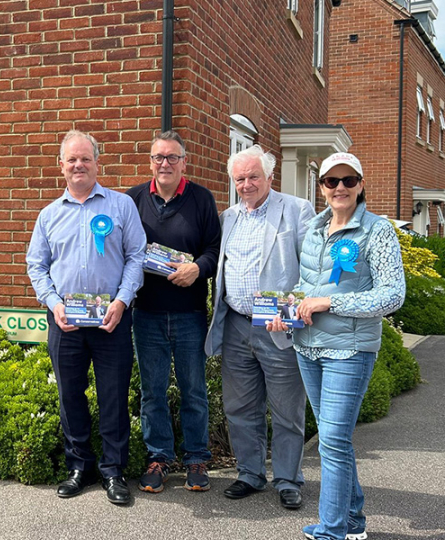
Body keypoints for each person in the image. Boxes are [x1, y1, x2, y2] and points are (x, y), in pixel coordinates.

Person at [267, 152, 405, 540]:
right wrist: (288, 311)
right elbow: (308, 289)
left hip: (350, 349)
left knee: (332, 440)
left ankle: (333, 531)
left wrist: (330, 303)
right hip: (308, 346)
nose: (340, 188)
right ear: (322, 187)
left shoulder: (377, 231)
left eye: (348, 181)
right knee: (333, 438)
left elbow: (393, 295)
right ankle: (354, 522)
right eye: (332, 181)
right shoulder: (314, 228)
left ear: (361, 185)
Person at [26, 130, 146, 505]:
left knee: (113, 397)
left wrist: (123, 301)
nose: (79, 165)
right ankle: (79, 466)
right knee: (70, 397)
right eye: (71, 159)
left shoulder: (121, 206)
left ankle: (113, 471)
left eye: (86, 159)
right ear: (60, 166)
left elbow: (136, 257)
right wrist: (52, 303)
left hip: (112, 320)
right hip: (66, 323)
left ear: (97, 163)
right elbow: (36, 265)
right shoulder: (48, 215)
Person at [205, 144, 315, 510]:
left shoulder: (297, 211)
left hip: (278, 326)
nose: (247, 184)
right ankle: (250, 473)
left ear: (270, 176)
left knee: (286, 408)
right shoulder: (228, 217)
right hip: (236, 324)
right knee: (240, 406)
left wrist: (294, 309)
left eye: (254, 176)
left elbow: (312, 271)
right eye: (240, 178)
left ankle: (287, 479)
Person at [125, 130, 221, 494]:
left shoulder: (201, 199)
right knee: (153, 391)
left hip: (189, 313)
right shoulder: (132, 199)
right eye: (158, 158)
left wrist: (198, 268)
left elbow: (214, 248)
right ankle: (159, 457)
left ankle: (196, 457)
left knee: (194, 389)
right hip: (146, 313)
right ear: (150, 161)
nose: (165, 164)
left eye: (172, 158)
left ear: (184, 162)